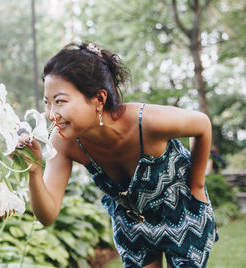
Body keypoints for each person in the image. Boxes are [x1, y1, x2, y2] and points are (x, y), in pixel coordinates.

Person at [18, 41, 218, 268]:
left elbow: (202, 124)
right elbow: (48, 215)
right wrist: (34, 171)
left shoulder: (147, 122)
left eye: (60, 101)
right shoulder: (64, 142)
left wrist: (197, 186)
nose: (51, 114)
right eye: (47, 102)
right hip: (133, 225)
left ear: (99, 99)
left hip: (182, 214)